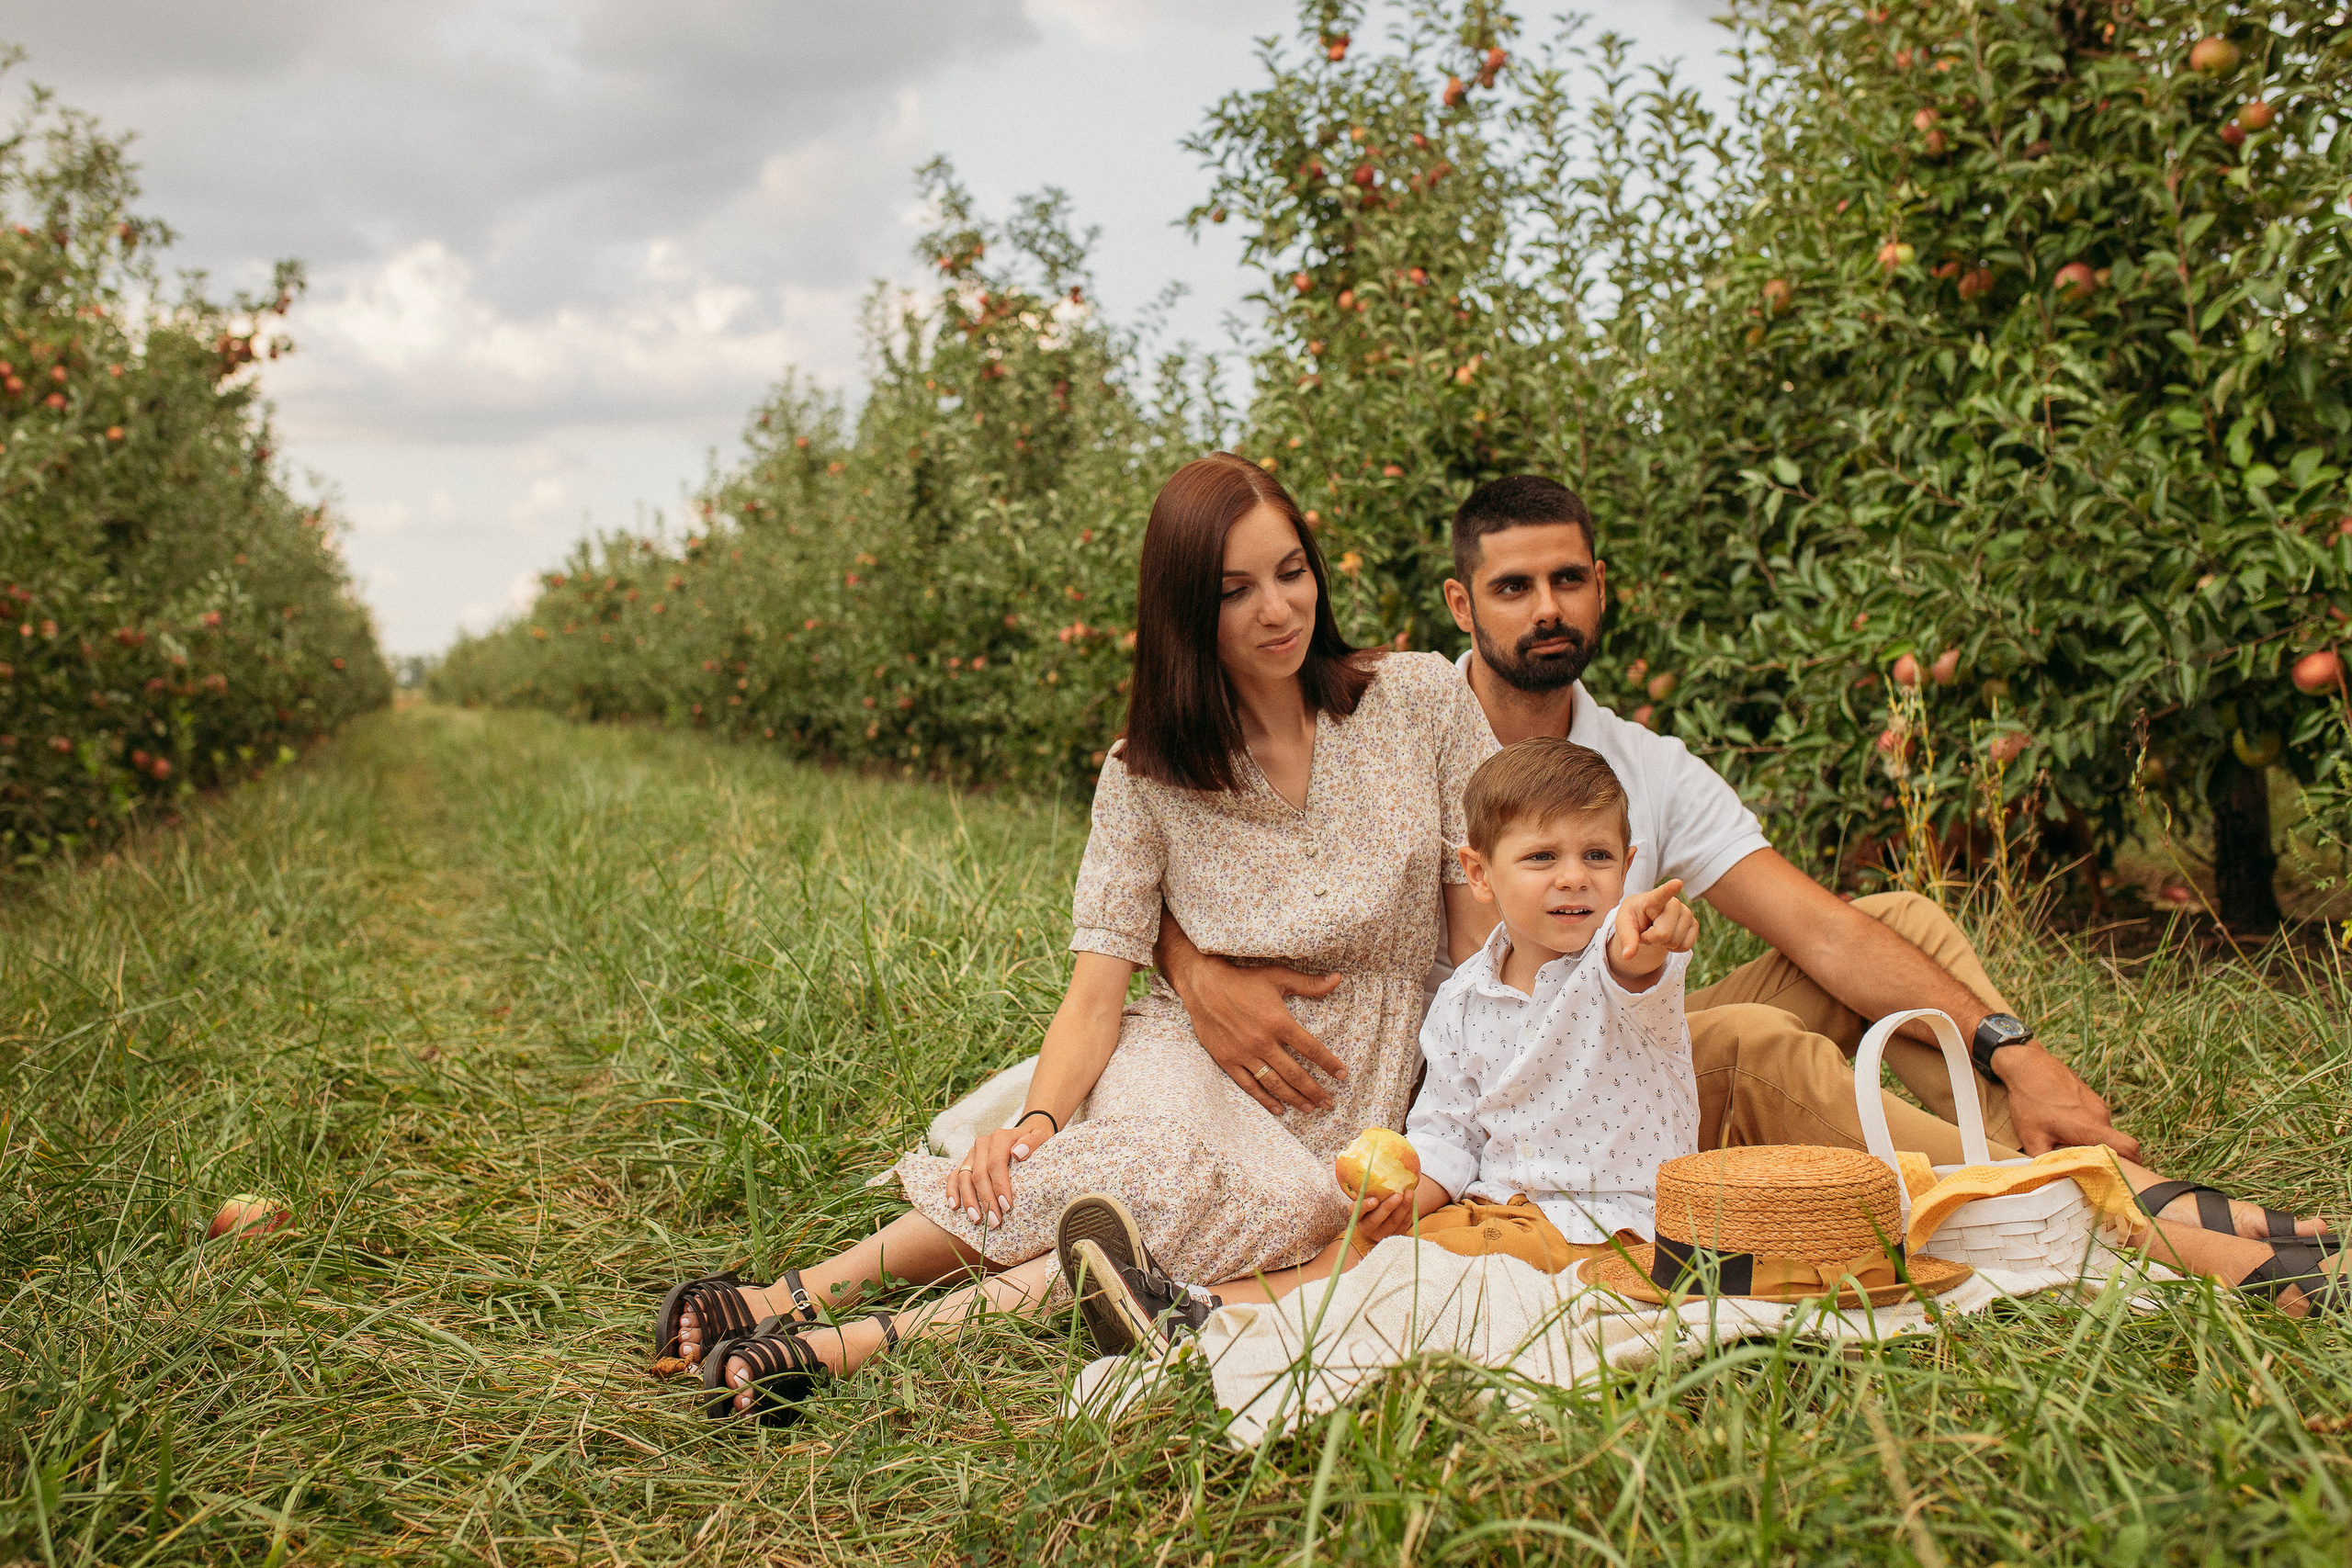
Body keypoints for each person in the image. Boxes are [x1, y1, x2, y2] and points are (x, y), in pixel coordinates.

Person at [1153, 476, 2339, 1268]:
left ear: (1601, 587)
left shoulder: (1644, 767)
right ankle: (2077, 1212)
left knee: (1899, 919)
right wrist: (1191, 963)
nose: (1547, 606)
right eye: (1514, 586)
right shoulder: (1395, 716)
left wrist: (2012, 1044)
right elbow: (1199, 827)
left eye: (1569, 578)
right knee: (1753, 1044)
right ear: (1464, 604)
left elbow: (1819, 931)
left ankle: (2045, 1165)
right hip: (1481, 1095)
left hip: (1616, 1051)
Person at [653, 451, 1491, 1422]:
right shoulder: (1145, 773)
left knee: (1154, 1219)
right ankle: (801, 1304)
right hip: (1186, 1059)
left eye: (1291, 572)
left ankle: (823, 1343)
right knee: (1137, 1166)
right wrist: (1036, 1126)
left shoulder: (1419, 701)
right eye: (1235, 590)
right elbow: (1096, 993)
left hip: (1351, 1106)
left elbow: (1478, 941)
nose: (1277, 610)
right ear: (1184, 608)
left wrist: (1458, 1117)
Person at [1064, 736, 1707, 1344]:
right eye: (1543, 856)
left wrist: (1646, 939)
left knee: (1426, 1267)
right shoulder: (1462, 999)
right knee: (1366, 1247)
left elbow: (1637, 968)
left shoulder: (1615, 964)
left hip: (1609, 1226)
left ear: (1627, 866)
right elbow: (1450, 1135)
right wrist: (1404, 1196)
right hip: (1501, 1212)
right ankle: (1193, 1309)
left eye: (1597, 855)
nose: (1574, 876)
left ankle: (1215, 1319)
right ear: (1479, 874)